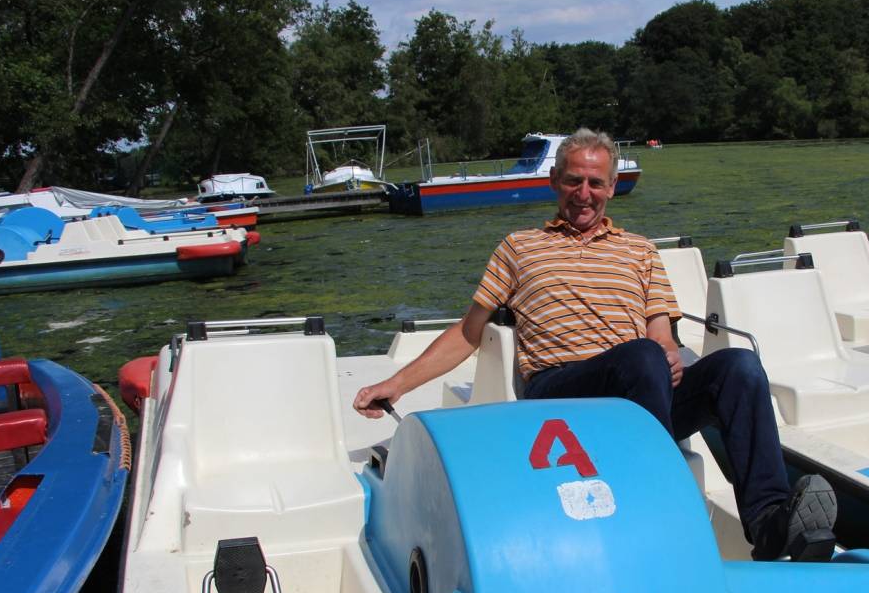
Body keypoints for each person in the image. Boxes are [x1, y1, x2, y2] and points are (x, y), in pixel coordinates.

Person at [354, 128, 836, 560]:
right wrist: (395, 384)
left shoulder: (640, 250)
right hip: (562, 393)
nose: (584, 194)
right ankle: (660, 517)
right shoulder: (519, 247)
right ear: (555, 183)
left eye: (596, 183)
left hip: (640, 386)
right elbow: (468, 333)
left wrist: (668, 354)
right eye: (573, 181)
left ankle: (770, 525)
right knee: (641, 359)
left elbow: (660, 334)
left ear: (612, 188)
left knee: (738, 366)